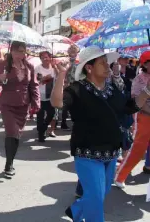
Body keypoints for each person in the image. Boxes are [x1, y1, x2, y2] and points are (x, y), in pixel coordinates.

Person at [50, 46, 150, 222]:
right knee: (96, 198)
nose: (108, 67)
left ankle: (75, 211)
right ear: (89, 68)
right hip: (87, 153)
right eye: (102, 63)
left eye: (107, 63)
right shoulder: (77, 89)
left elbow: (132, 106)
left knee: (101, 193)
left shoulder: (113, 89)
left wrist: (148, 89)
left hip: (111, 153)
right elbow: (57, 102)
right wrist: (61, 75)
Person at [0, 41, 40, 178]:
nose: (20, 54)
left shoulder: (29, 66)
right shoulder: (4, 65)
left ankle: (10, 161)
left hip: (23, 105)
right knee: (11, 132)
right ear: (11, 51)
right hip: (8, 104)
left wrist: (36, 102)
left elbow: (34, 85)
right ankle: (8, 164)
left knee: (17, 134)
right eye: (17, 51)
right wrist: (0, 79)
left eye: (23, 51)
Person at [115, 50, 150, 187]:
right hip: (143, 116)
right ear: (145, 64)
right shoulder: (139, 79)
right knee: (137, 149)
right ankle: (120, 176)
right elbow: (137, 102)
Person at [35, 51, 56, 141]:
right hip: (40, 94)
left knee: (51, 113)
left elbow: (59, 77)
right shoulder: (38, 68)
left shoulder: (53, 68)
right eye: (43, 57)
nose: (45, 59)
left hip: (50, 95)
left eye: (47, 57)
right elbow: (37, 80)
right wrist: (45, 78)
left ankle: (44, 127)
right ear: (41, 59)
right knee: (40, 115)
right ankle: (41, 134)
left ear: (50, 57)